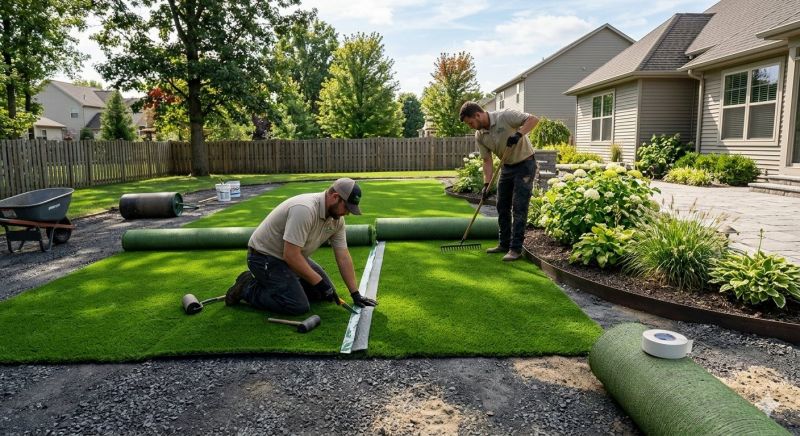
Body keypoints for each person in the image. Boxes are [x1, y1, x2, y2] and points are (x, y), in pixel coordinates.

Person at [225, 178, 378, 315]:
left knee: (321, 294)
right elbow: (290, 256)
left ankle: (284, 285)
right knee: (298, 305)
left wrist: (355, 294)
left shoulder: (336, 220)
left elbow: (343, 256)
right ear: (335, 197)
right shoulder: (305, 209)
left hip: (292, 257)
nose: (347, 213)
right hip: (264, 257)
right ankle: (247, 287)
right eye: (346, 208)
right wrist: (319, 282)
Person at [459, 101, 539, 261]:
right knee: (501, 205)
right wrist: (486, 185)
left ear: (478, 115)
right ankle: (504, 243)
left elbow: (533, 119)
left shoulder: (506, 116)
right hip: (507, 167)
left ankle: (515, 249)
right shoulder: (480, 135)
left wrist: (518, 134)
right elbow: (487, 160)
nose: (471, 126)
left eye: (471, 122)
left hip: (525, 164)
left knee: (519, 206)